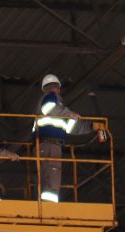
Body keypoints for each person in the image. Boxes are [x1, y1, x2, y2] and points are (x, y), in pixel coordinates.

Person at [33, 74, 80, 202]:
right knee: (52, 176)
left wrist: (92, 126)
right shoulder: (51, 98)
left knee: (46, 176)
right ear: (57, 88)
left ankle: (44, 203)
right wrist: (70, 113)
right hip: (50, 144)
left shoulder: (59, 108)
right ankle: (49, 206)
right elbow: (49, 108)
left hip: (46, 145)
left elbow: (70, 129)